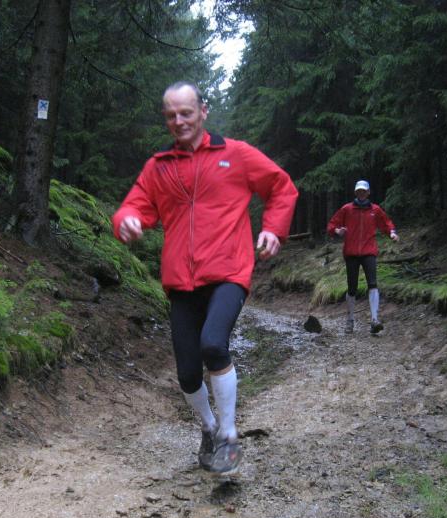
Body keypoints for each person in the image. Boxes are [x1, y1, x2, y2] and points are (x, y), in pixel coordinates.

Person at [112, 81, 298, 474]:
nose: (178, 121)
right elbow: (135, 206)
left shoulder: (236, 154)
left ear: (203, 111)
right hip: (181, 280)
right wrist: (126, 220)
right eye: (171, 115)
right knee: (186, 374)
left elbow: (281, 187)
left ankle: (229, 437)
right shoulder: (159, 166)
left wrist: (273, 230)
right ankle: (209, 427)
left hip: (229, 271)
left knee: (213, 344)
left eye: (186, 112)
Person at [327, 179, 398, 334]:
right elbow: (332, 225)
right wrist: (337, 231)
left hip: (369, 252)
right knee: (352, 288)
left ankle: (374, 320)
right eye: (359, 191)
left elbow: (386, 223)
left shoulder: (375, 210)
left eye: (364, 191)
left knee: (373, 283)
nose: (361, 193)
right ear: (355, 192)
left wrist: (392, 233)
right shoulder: (347, 209)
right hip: (351, 253)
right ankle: (350, 320)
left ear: (368, 192)